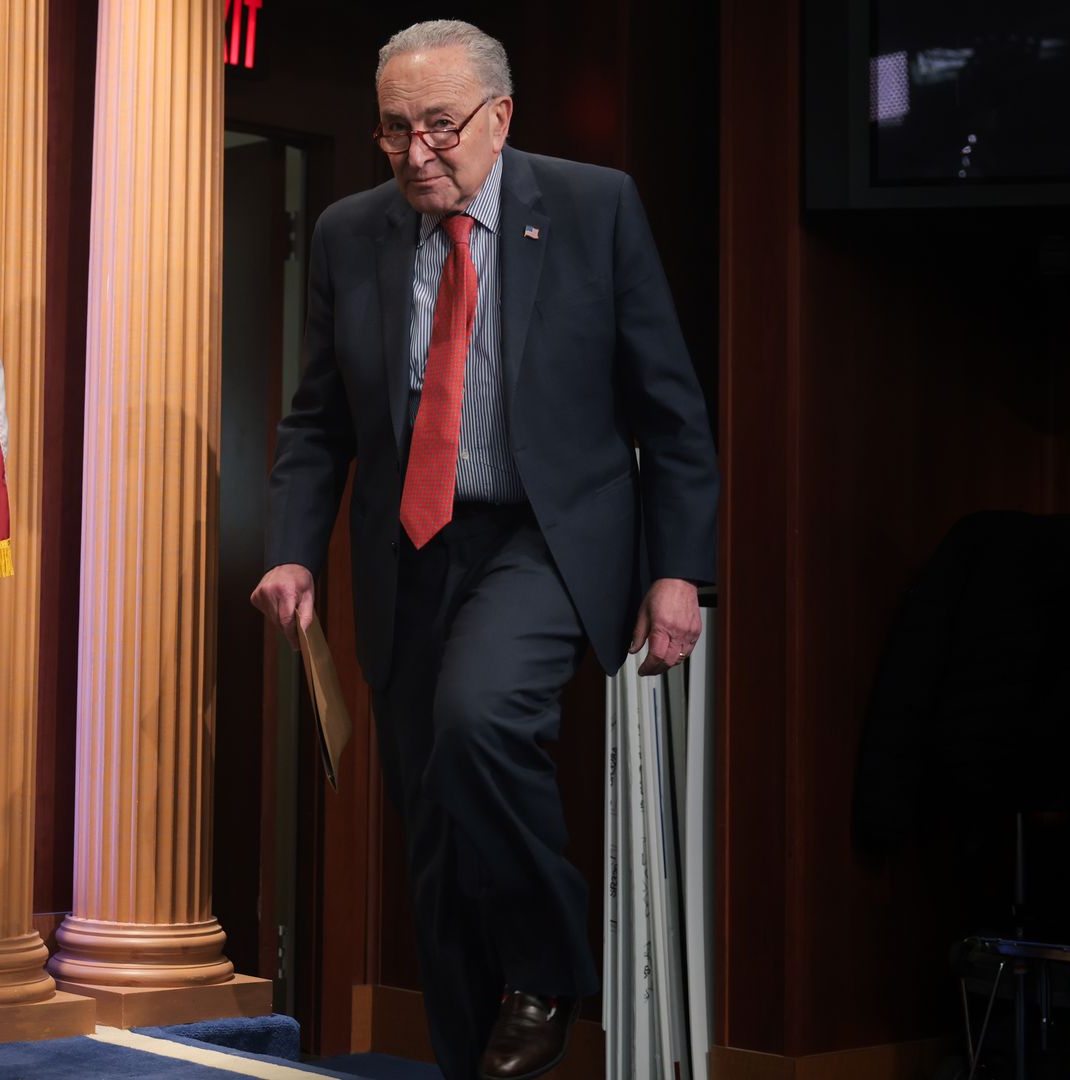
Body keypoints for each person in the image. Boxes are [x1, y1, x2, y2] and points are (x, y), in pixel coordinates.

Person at [250, 19, 719, 1080]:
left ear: (500, 119)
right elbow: (319, 421)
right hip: (411, 547)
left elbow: (671, 407)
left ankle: (551, 968)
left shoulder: (594, 209)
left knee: (477, 723)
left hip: (546, 537)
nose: (418, 154)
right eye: (394, 131)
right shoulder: (345, 232)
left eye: (441, 128)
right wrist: (294, 550)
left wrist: (677, 568)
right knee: (434, 833)